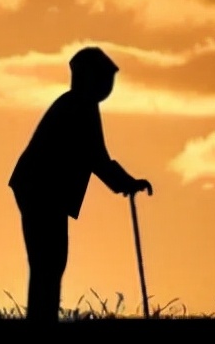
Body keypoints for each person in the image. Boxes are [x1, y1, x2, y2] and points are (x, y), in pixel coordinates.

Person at [8, 46, 154, 323]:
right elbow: (97, 158)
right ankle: (41, 319)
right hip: (40, 190)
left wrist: (125, 182)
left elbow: (96, 156)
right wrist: (126, 183)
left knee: (50, 259)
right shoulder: (78, 107)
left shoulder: (80, 105)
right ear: (88, 78)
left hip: (42, 191)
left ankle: (42, 316)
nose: (107, 87)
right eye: (103, 79)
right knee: (48, 259)